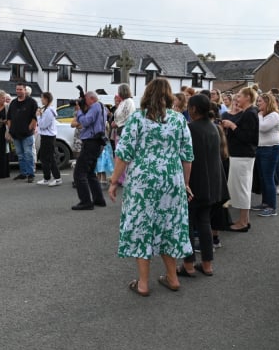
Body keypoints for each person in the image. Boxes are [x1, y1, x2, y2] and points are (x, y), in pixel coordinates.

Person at [108, 78, 194, 296]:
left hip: (142, 184)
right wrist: (185, 183)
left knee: (142, 228)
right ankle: (173, 278)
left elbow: (123, 154)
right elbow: (187, 156)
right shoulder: (178, 120)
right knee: (169, 226)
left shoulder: (137, 119)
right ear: (169, 96)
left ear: (147, 94)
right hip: (171, 181)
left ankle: (144, 284)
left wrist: (113, 181)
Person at [177, 94, 227, 278]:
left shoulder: (189, 128)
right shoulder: (214, 128)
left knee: (188, 224)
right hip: (212, 183)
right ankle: (207, 265)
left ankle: (188, 265)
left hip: (193, 182)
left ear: (194, 109)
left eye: (189, 107)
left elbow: (183, 156)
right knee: (204, 222)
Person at [221, 88, 258, 231]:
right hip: (240, 155)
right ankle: (244, 220)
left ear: (248, 97)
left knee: (242, 188)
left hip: (243, 155)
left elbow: (250, 138)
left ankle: (243, 223)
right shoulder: (249, 113)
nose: (237, 99)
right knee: (242, 187)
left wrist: (232, 126)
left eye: (240, 96)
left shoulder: (250, 114)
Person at [71, 91, 108, 210]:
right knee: (90, 173)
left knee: (79, 173)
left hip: (91, 142)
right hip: (97, 142)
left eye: (85, 100)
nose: (83, 102)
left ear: (91, 99)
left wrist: (79, 111)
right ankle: (99, 199)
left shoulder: (95, 106)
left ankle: (86, 201)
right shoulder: (102, 107)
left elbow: (86, 121)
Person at [252, 92, 279, 217]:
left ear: (268, 102)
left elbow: (263, 127)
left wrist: (258, 115)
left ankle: (272, 207)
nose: (258, 103)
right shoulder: (263, 115)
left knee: (268, 178)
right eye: (257, 101)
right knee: (263, 178)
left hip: (271, 148)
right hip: (261, 148)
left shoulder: (274, 115)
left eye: (261, 101)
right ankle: (265, 203)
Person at [6, 82, 38, 182]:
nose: (18, 91)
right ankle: (23, 173)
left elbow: (35, 117)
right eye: (17, 89)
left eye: (20, 89)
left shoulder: (31, 102)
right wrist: (11, 129)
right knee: (20, 155)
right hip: (15, 134)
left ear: (25, 90)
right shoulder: (13, 103)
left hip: (27, 134)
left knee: (28, 154)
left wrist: (30, 128)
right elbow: (9, 118)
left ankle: (30, 174)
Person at [111, 84, 135, 186]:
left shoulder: (129, 102)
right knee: (118, 155)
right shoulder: (123, 102)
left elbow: (129, 117)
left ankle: (124, 178)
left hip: (124, 131)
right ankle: (121, 178)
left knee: (122, 156)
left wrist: (117, 123)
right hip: (119, 130)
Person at [36, 92, 62, 187]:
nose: (41, 100)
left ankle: (57, 178)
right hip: (45, 136)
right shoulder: (46, 110)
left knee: (50, 158)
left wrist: (38, 116)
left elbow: (43, 125)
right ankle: (46, 178)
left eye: (42, 98)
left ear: (47, 99)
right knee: (44, 158)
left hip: (48, 137)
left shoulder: (49, 111)